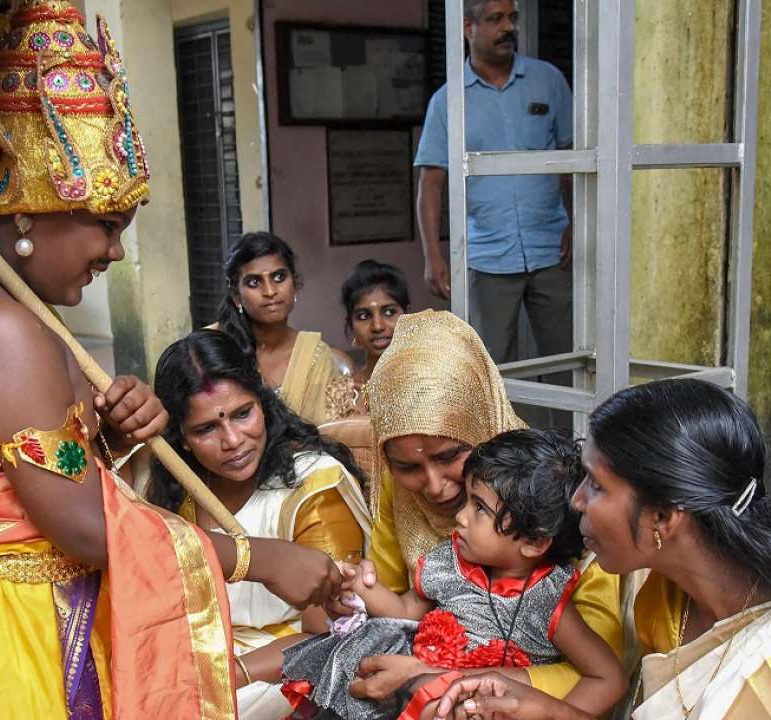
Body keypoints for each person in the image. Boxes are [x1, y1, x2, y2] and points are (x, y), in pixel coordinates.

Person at [0, 3, 341, 717]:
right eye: (105, 226)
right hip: (4, 640)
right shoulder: (0, 327)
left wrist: (106, 435)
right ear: (28, 212)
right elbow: (79, 526)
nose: (113, 253)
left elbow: (24, 463)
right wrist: (260, 558)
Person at [424, 379, 771, 720]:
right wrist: (545, 708)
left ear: (663, 517)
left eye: (596, 485)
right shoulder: (661, 601)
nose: (577, 500)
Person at [339, 310, 622, 708]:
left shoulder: (556, 502)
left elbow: (600, 672)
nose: (435, 487)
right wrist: (352, 591)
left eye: (450, 455)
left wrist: (436, 677)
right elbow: (396, 611)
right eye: (407, 467)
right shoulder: (402, 500)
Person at [282, 430, 626, 720]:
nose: (460, 517)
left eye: (479, 508)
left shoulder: (545, 602)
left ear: (534, 541)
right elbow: (402, 611)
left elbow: (608, 679)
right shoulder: (452, 564)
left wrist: (551, 712)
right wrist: (359, 583)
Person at [150, 330, 371, 719]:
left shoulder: (314, 485)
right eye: (206, 429)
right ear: (181, 438)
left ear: (263, 404)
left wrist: (230, 674)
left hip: (283, 670)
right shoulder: (174, 490)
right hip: (191, 655)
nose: (233, 440)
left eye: (242, 414)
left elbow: (330, 634)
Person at [416, 0, 573, 369]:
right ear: (468, 28)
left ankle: (570, 431)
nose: (508, 27)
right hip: (488, 256)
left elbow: (573, 160)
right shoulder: (448, 101)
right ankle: (505, 431)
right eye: (495, 19)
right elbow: (431, 183)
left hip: (552, 251)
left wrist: (577, 223)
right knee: (492, 369)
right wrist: (433, 255)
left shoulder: (547, 80)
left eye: (512, 18)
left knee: (567, 363)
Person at [216, 232, 354, 426]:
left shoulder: (315, 355)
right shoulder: (211, 346)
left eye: (279, 277)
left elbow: (332, 434)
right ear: (236, 296)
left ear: (295, 284)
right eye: (254, 282)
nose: (270, 291)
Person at [339, 260, 411, 416]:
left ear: (408, 317)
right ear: (350, 324)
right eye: (364, 316)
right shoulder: (340, 394)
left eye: (389, 312)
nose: (377, 326)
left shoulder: (429, 386)